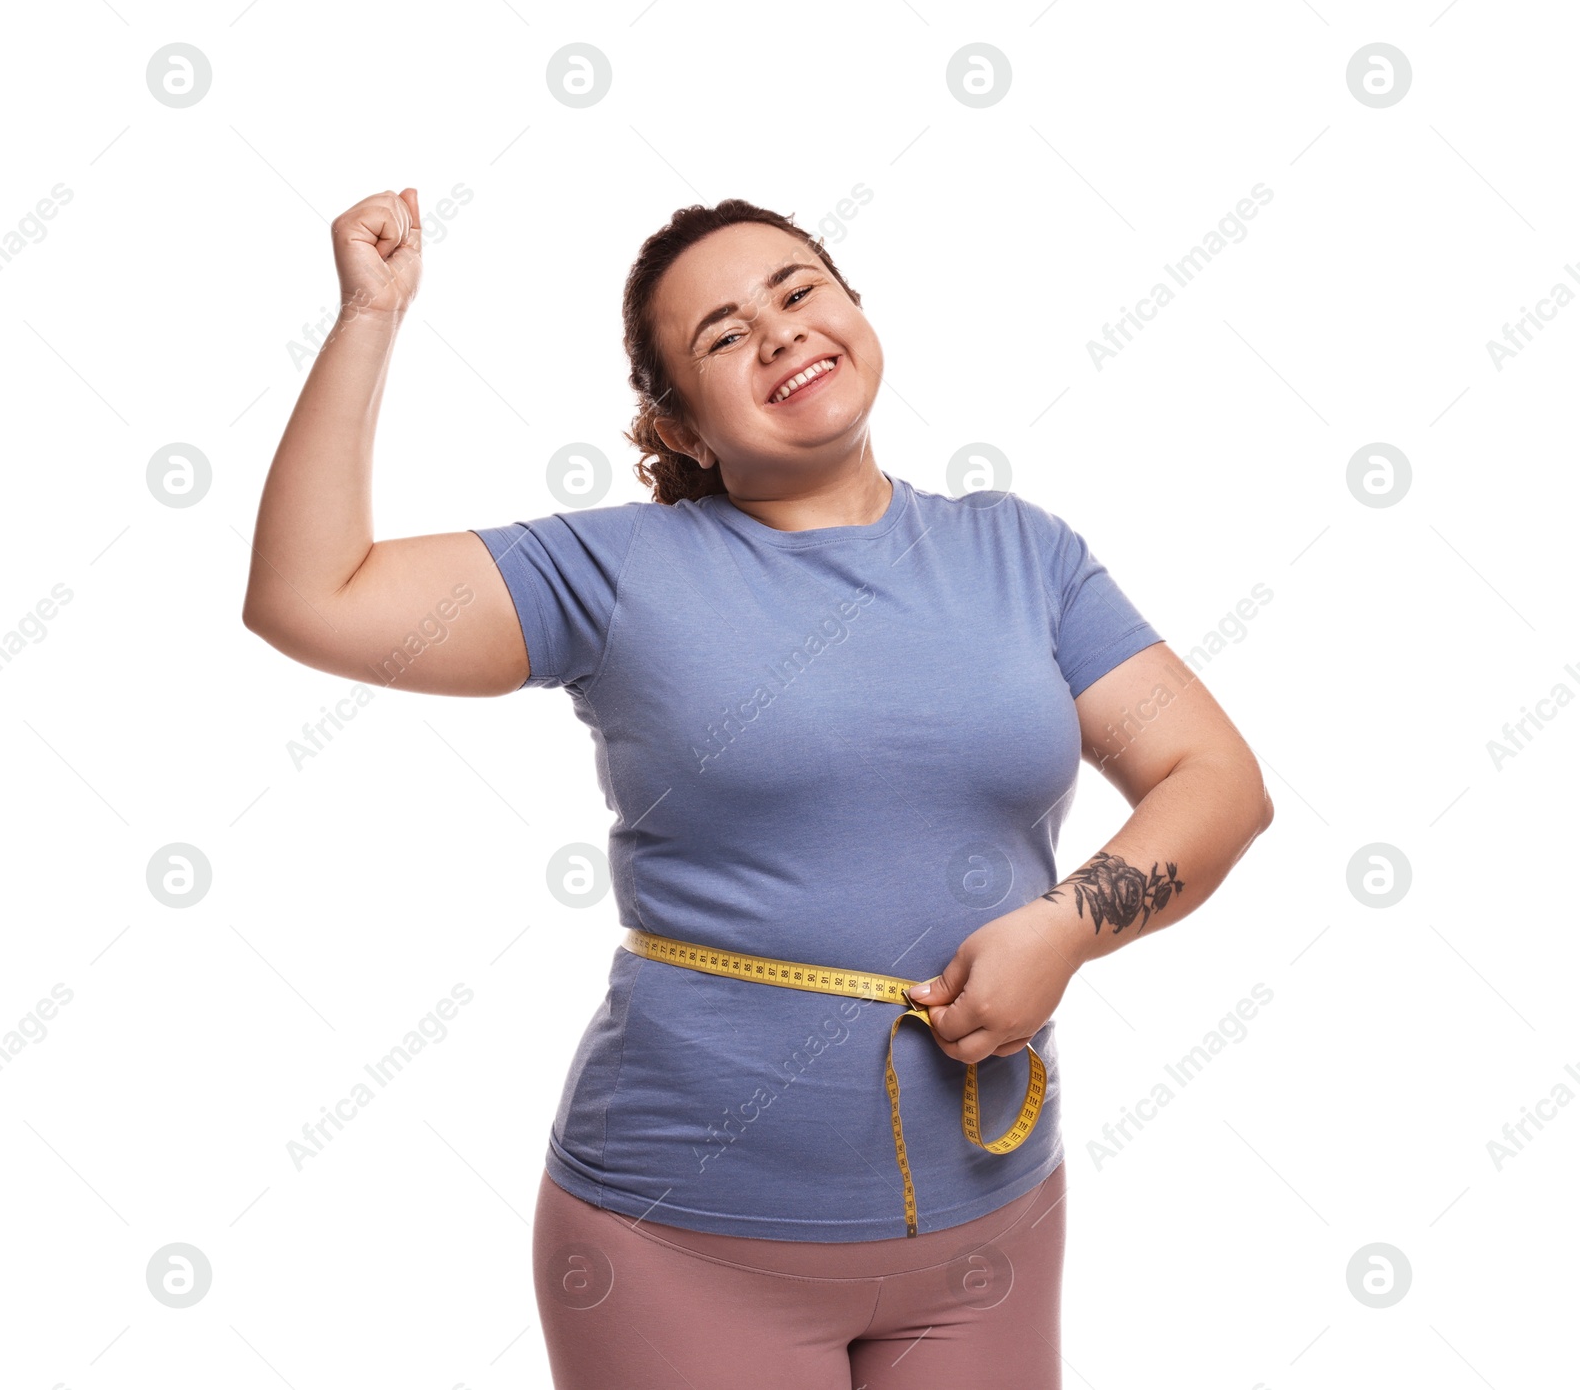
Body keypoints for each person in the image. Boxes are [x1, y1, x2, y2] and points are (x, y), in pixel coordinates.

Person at [242, 187, 1275, 1389]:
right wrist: (372, 314)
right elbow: (309, 597)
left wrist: (1066, 928)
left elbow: (1216, 781)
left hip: (988, 1229)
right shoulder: (614, 572)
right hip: (682, 1242)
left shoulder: (1021, 553)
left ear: (851, 310)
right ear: (677, 427)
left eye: (798, 292)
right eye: (722, 336)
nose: (780, 332)